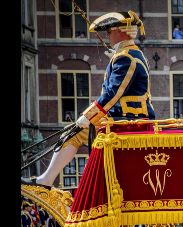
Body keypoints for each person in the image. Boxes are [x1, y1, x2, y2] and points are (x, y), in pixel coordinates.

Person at [35, 11, 155, 187]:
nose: (107, 36)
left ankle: (46, 180)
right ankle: (48, 179)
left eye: (109, 32)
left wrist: (88, 116)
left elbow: (113, 93)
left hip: (127, 119)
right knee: (73, 132)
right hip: (125, 116)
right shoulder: (129, 54)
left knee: (73, 133)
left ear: (120, 31)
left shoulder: (126, 57)